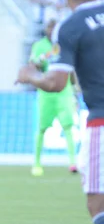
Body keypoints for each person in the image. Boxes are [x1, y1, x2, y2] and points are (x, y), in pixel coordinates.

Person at [16, 0, 104, 224]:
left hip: (101, 122)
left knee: (97, 202)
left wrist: (30, 75)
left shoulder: (70, 26)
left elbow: (56, 83)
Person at [29, 19, 79, 176]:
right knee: (42, 128)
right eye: (49, 27)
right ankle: (37, 163)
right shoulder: (39, 46)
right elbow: (33, 67)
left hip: (64, 91)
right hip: (46, 91)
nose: (51, 30)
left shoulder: (64, 45)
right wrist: (40, 60)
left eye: (54, 27)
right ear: (46, 29)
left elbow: (71, 68)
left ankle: (73, 162)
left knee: (68, 126)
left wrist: (74, 90)